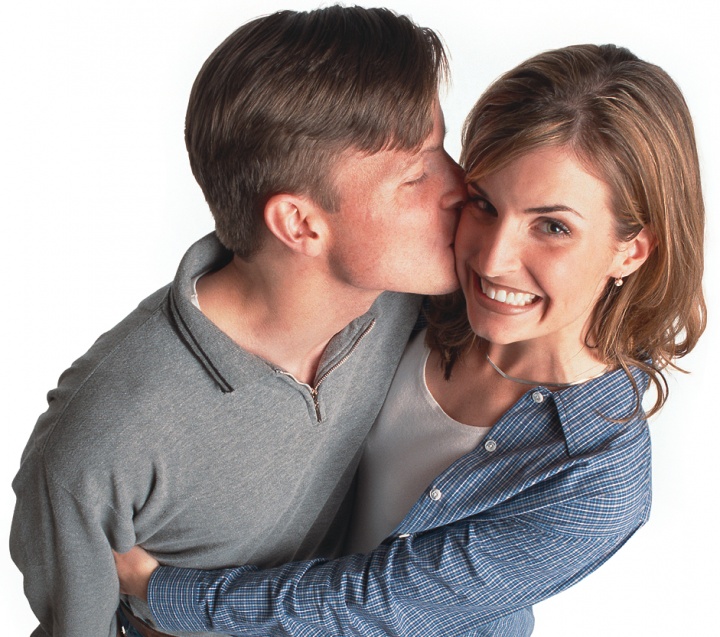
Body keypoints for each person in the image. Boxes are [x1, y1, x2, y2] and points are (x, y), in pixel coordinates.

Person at [114, 43, 706, 636]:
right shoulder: (412, 295)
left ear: (631, 249)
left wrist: (159, 592)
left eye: (552, 227)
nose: (494, 260)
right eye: (483, 203)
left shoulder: (600, 475)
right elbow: (268, 288)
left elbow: (380, 604)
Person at [9, 7, 466, 637]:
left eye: (444, 148)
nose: (461, 187)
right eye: (416, 175)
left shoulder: (402, 299)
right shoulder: (101, 443)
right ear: (300, 224)